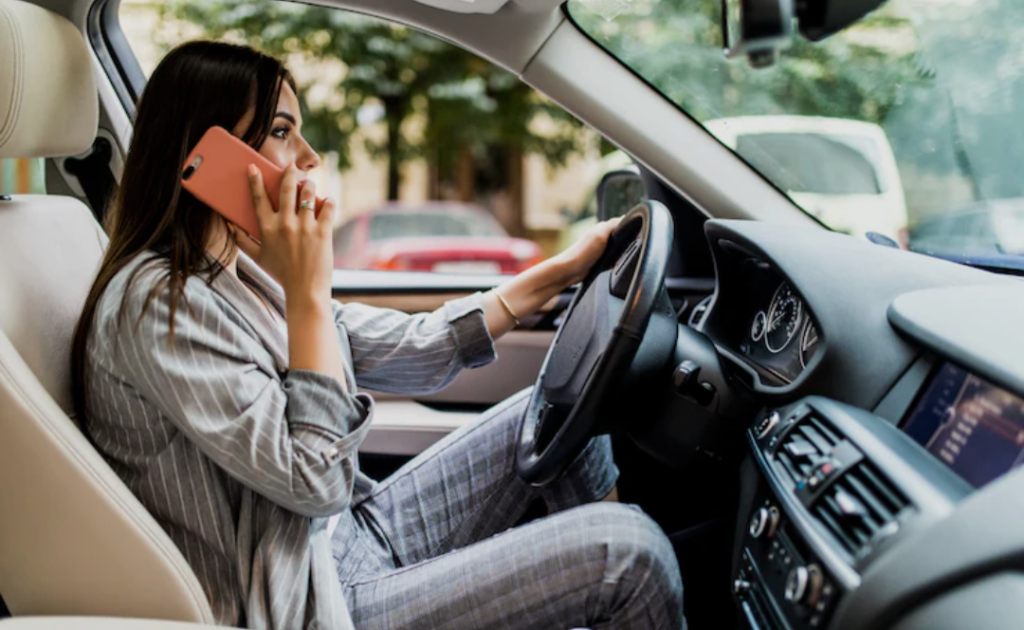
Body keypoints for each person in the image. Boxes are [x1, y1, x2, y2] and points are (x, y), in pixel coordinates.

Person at [71, 41, 684, 630]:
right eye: (283, 132)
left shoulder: (234, 278)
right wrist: (308, 295)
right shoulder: (158, 306)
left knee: (554, 411)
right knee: (629, 554)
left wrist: (561, 272)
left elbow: (416, 348)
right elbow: (315, 481)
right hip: (309, 602)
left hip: (351, 536)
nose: (309, 157)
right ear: (209, 154)